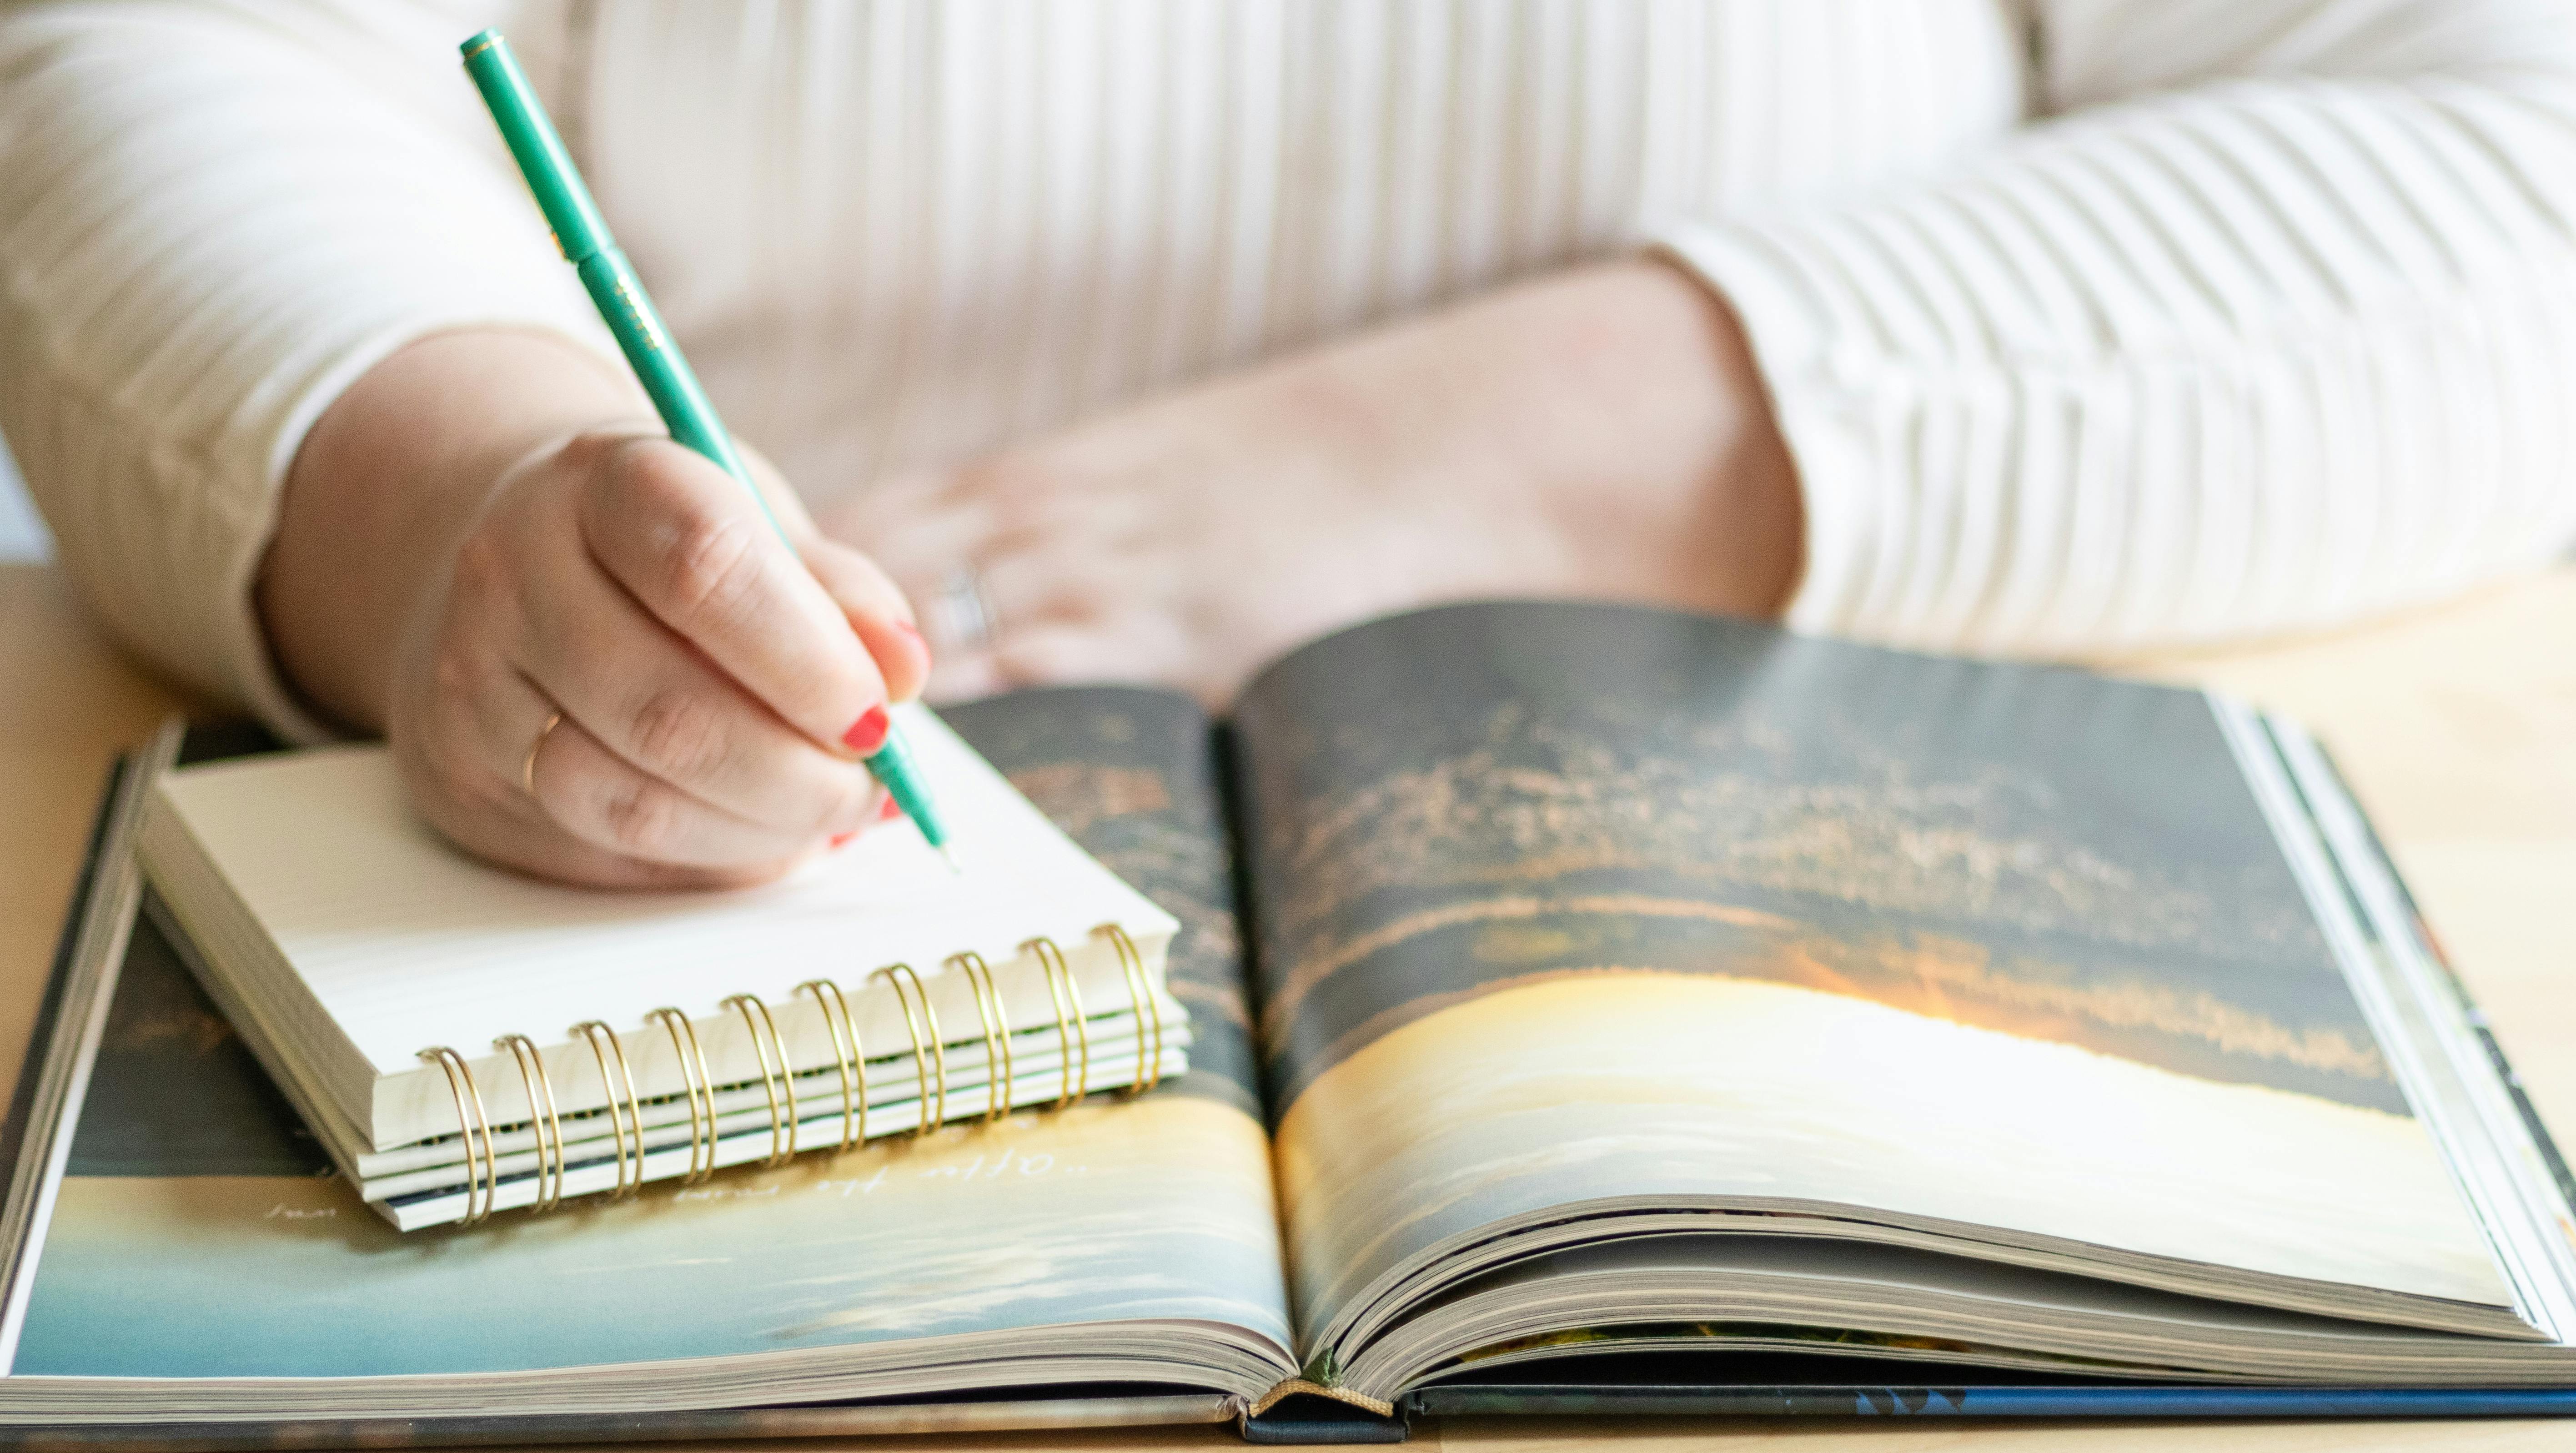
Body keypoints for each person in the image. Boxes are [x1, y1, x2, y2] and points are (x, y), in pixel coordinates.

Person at [4, 0, 2573, 889]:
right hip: (707, 907)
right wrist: (470, 517)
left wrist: (1411, 478)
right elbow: (174, 61)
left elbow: (2515, 160)